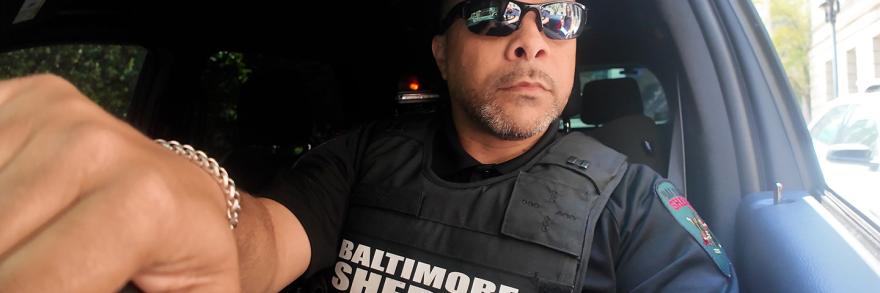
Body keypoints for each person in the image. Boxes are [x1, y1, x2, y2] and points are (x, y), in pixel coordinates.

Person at [0, 0, 736, 292]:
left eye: (559, 20)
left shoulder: (634, 206)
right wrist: (175, 192)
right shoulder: (364, 157)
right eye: (495, 11)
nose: (529, 41)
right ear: (442, 53)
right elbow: (255, 239)